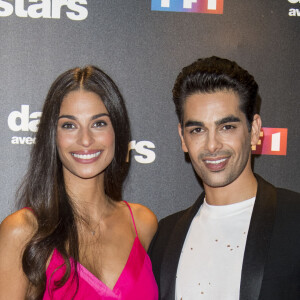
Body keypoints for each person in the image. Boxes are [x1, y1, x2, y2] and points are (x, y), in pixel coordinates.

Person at [0, 66, 158, 299]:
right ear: (52, 136)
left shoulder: (143, 224)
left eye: (99, 124)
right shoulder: (22, 232)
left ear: (117, 131)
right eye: (69, 125)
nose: (85, 139)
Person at [149, 56, 300, 300]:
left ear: (255, 130)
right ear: (182, 137)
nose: (212, 145)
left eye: (226, 127)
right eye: (197, 130)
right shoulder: (163, 236)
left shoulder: (294, 219)